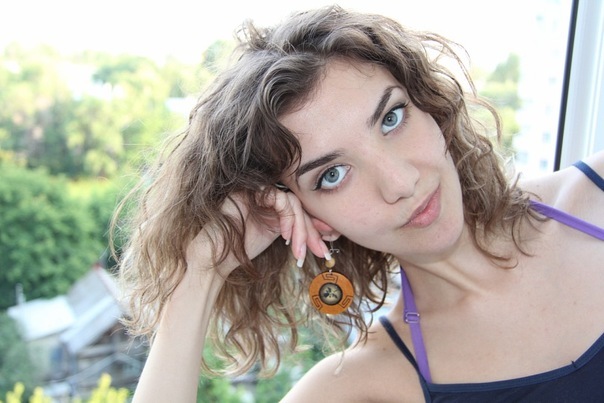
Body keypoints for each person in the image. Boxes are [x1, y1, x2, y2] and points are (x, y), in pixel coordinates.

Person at [113, 5, 604, 402]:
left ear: (429, 106)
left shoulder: (595, 195)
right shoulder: (369, 385)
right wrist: (199, 272)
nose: (401, 182)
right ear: (310, 218)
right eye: (333, 175)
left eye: (391, 118)